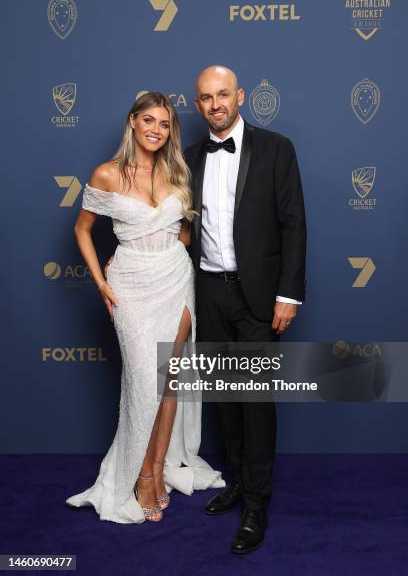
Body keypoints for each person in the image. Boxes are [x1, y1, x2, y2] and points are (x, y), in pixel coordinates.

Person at [65, 92, 223, 524]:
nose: (156, 129)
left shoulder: (177, 173)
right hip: (130, 286)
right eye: (148, 120)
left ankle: (153, 474)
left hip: (175, 279)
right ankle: (134, 474)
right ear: (132, 122)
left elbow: (185, 234)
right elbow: (82, 230)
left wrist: (161, 247)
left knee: (169, 382)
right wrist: (101, 280)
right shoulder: (107, 173)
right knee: (143, 382)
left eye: (165, 123)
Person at [184, 66, 307, 553]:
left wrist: (288, 294)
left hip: (259, 299)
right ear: (196, 105)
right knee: (224, 399)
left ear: (240, 96)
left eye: (222, 95)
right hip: (209, 293)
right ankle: (236, 480)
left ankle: (257, 502)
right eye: (204, 98)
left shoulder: (277, 148)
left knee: (254, 401)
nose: (215, 104)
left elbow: (294, 224)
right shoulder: (189, 157)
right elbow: (178, 226)